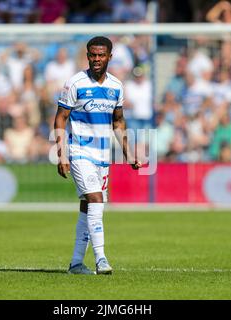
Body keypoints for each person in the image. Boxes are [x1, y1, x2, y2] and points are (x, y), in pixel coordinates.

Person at [54, 36, 142, 275]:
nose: (96, 59)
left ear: (109, 57)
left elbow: (118, 121)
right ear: (87, 56)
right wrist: (62, 154)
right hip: (80, 151)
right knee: (96, 199)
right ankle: (101, 258)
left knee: (87, 205)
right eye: (92, 55)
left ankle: (75, 263)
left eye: (101, 55)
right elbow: (61, 117)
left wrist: (129, 153)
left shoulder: (116, 86)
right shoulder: (75, 83)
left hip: (103, 156)